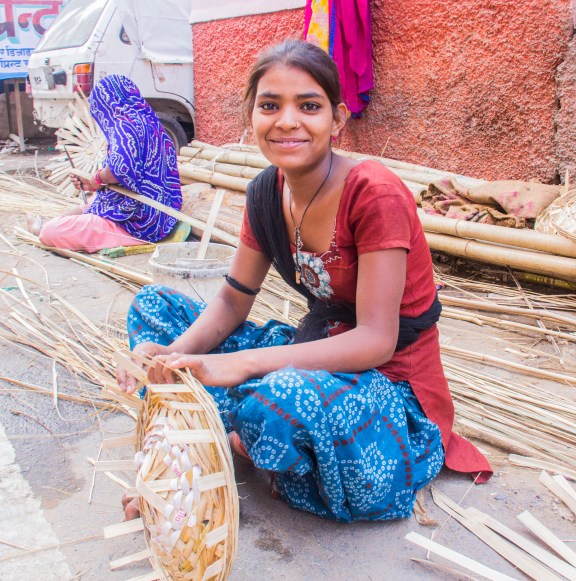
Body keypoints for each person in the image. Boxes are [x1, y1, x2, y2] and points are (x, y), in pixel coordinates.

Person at [117, 40, 491, 522]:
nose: (287, 121)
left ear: (337, 120)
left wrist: (244, 366)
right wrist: (176, 357)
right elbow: (233, 300)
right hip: (312, 349)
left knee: (281, 398)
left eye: (308, 106)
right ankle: (207, 441)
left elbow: (378, 342)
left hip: (387, 385)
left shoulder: (374, 193)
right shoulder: (265, 193)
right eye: (269, 105)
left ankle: (231, 432)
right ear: (250, 116)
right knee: (154, 310)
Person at [28, 75, 182, 253]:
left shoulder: (126, 127)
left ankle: (44, 228)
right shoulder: (150, 122)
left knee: (53, 232)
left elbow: (120, 169)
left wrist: (97, 179)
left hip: (140, 221)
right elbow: (134, 174)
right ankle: (48, 223)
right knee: (89, 205)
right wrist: (93, 185)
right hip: (162, 213)